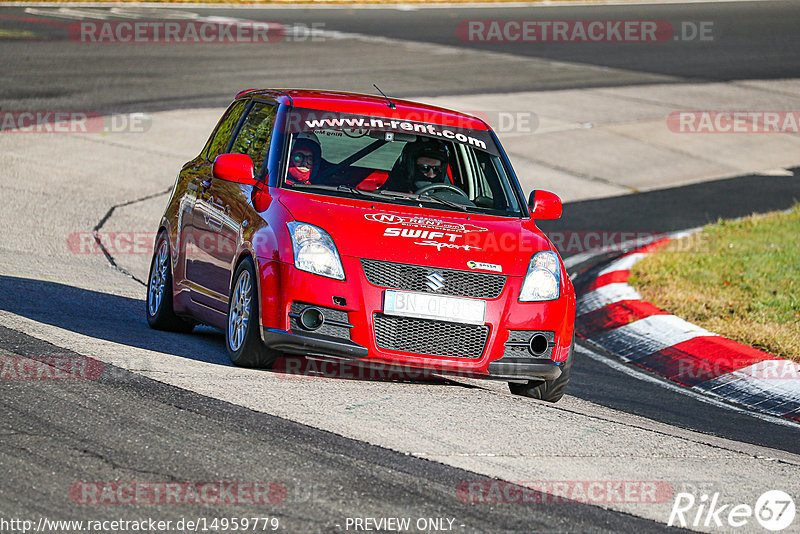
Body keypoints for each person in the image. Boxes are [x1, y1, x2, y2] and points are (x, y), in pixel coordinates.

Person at [382, 138, 449, 193]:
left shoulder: (450, 200)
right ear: (409, 168)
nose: (431, 175)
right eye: (424, 168)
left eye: (436, 169)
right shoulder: (388, 193)